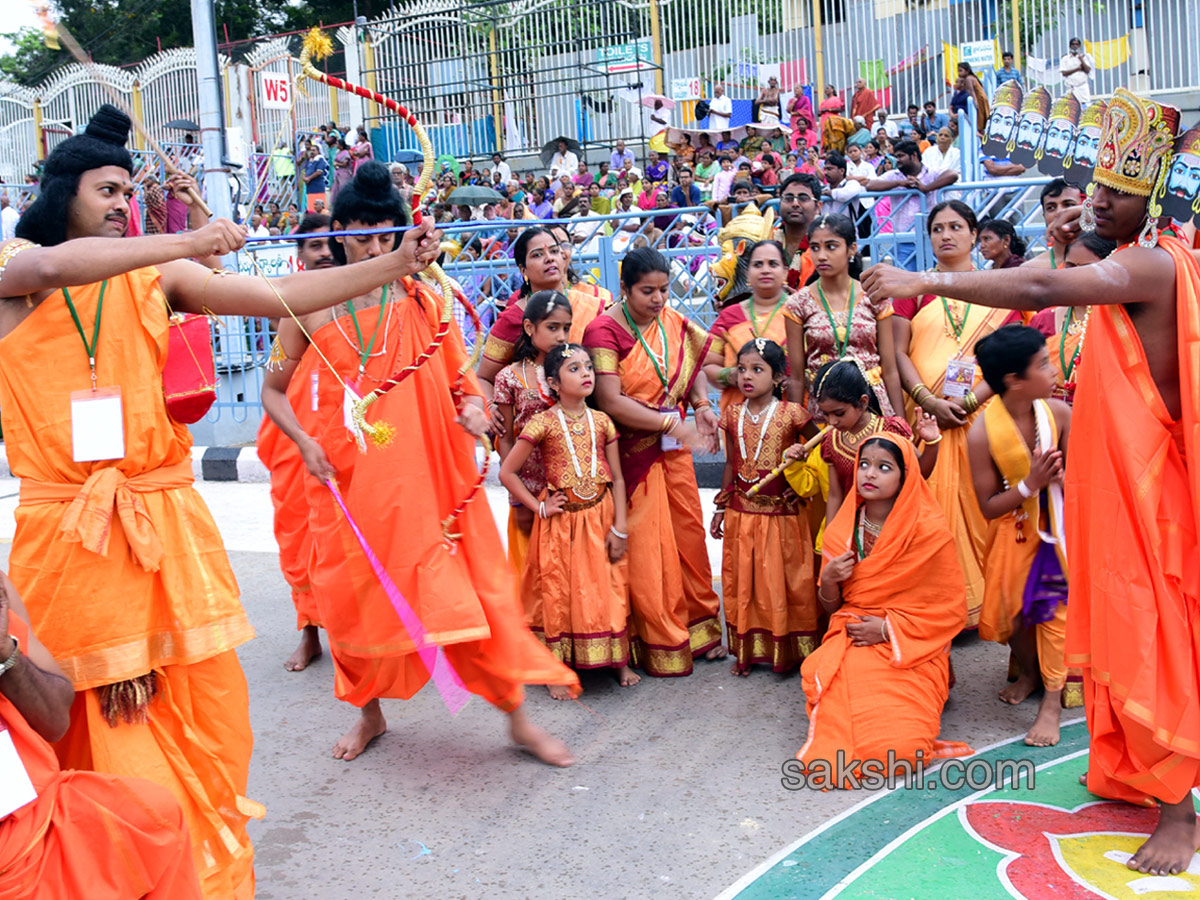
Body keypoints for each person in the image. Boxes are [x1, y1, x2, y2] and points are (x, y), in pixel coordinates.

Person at [0, 105, 442, 898]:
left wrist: (392, 265)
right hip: (66, 536)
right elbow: (53, 273)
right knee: (84, 713)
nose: (117, 202)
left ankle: (195, 872)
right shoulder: (13, 269)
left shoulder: (155, 277)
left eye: (126, 192)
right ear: (60, 192)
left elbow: (275, 295)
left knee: (198, 708)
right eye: (105, 190)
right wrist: (188, 238)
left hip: (165, 526)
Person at [862, 88, 1200, 875]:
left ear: (1150, 200)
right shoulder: (1147, 253)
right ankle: (1138, 770)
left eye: (1116, 194)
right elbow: (1062, 266)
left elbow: (1045, 288)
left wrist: (927, 285)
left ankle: (1179, 815)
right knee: (1133, 628)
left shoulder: (1149, 262)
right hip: (1126, 476)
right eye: (1097, 187)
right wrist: (1077, 229)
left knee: (1152, 634)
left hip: (1150, 488)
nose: (1097, 202)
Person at [261, 161, 579, 766]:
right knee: (351, 599)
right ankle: (370, 715)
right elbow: (274, 392)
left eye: (386, 236)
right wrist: (304, 442)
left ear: (403, 234)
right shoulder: (305, 305)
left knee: (473, 597)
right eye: (360, 236)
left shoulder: (427, 300)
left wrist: (475, 414)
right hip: (349, 484)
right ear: (337, 235)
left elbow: (466, 382)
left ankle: (517, 720)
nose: (375, 248)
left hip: (431, 481)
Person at [0, 573, 205, 898]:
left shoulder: (0, 591)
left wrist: (5, 656)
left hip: (33, 814)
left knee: (154, 818)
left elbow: (55, 722)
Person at [797, 434, 971, 785]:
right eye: (864, 464)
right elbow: (831, 608)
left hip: (911, 643)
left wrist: (887, 630)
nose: (869, 474)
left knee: (902, 749)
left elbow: (949, 610)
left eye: (883, 467)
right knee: (842, 702)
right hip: (855, 633)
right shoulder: (842, 531)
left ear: (905, 476)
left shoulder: (930, 532)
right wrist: (828, 581)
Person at [585, 248, 725, 675]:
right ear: (624, 289)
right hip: (632, 453)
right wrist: (671, 424)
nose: (660, 299)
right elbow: (610, 399)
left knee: (687, 537)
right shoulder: (603, 331)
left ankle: (700, 629)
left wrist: (700, 404)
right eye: (648, 291)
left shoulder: (671, 321)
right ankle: (658, 638)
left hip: (673, 448)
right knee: (648, 549)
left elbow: (693, 361)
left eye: (664, 289)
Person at [887, 200, 1019, 627]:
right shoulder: (914, 288)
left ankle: (986, 603)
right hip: (927, 419)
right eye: (937, 228)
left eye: (955, 227)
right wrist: (927, 400)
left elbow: (1008, 360)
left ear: (972, 234)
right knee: (933, 515)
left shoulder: (998, 288)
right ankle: (941, 605)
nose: (946, 235)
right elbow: (898, 353)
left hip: (981, 418)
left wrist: (967, 401)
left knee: (983, 509)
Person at [500, 342, 637, 695]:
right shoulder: (542, 423)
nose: (586, 374)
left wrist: (620, 527)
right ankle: (555, 670)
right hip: (562, 523)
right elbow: (508, 473)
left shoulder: (603, 421)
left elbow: (618, 478)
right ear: (554, 385)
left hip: (601, 516)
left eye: (588, 367)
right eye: (573, 369)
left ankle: (618, 661)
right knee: (559, 592)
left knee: (610, 586)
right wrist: (539, 507)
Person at [968, 326, 1075, 747]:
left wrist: (1065, 481)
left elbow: (1088, 478)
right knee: (1010, 617)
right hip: (1011, 534)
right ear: (1014, 379)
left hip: (1058, 534)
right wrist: (1030, 484)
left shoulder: (1060, 414)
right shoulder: (981, 433)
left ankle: (1051, 703)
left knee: (1052, 614)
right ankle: (1030, 672)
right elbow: (989, 506)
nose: (1054, 370)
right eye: (1044, 364)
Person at [711, 339, 818, 675]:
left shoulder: (794, 413)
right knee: (746, 584)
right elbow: (730, 464)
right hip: (742, 514)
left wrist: (801, 486)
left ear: (777, 379)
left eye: (757, 369)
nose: (747, 376)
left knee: (783, 583)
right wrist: (720, 506)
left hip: (782, 517)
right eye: (742, 369)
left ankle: (786, 652)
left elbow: (818, 448)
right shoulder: (730, 414)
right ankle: (748, 652)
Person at [258, 215, 334, 673]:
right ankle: (309, 631)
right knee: (299, 534)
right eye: (314, 247)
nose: (325, 252)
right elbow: (275, 380)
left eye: (332, 243)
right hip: (296, 434)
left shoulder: (362, 295)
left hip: (352, 427)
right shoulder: (290, 301)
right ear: (300, 256)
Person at [477, 227, 606, 420]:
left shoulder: (593, 306)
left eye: (554, 251)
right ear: (523, 270)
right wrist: (490, 407)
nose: (549, 258)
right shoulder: (514, 318)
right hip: (533, 430)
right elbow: (483, 378)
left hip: (591, 421)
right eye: (538, 255)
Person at [784, 214, 904, 416]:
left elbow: (890, 370)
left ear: (852, 249)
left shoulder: (874, 297)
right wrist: (796, 431)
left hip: (872, 407)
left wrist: (901, 423)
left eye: (831, 247)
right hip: (825, 412)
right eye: (815, 247)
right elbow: (796, 378)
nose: (821, 256)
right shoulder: (798, 303)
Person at [493, 291, 571, 579]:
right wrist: (518, 498)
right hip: (529, 486)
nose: (561, 336)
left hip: (568, 483)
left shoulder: (573, 369)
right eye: (553, 328)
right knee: (532, 567)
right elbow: (507, 439)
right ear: (529, 328)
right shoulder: (509, 377)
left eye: (566, 328)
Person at [813, 360, 939, 524]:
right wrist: (831, 543)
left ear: (863, 402)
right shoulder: (831, 442)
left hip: (897, 524)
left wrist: (932, 443)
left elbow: (920, 472)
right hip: (853, 529)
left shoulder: (891, 429)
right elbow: (835, 496)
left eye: (839, 413)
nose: (832, 422)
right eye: (825, 414)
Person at [705, 240, 793, 412]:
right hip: (738, 417)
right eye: (758, 264)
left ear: (785, 272)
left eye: (773, 264)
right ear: (747, 273)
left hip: (790, 414)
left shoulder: (799, 312)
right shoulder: (729, 316)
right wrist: (733, 376)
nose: (765, 270)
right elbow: (707, 366)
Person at [1028, 232, 1117, 403]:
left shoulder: (1120, 320)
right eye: (1070, 267)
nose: (1075, 276)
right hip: (1051, 418)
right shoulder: (1043, 320)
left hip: (1102, 414)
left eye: (1086, 268)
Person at [866, 140, 959, 271]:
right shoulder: (894, 175)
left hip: (931, 237)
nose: (897, 160)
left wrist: (926, 188)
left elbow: (952, 175)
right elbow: (870, 186)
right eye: (896, 156)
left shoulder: (931, 172)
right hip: (903, 239)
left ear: (914, 156)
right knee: (906, 282)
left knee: (937, 279)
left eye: (900, 156)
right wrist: (901, 183)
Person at [775, 173, 823, 289]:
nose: (795, 204)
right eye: (789, 198)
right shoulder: (766, 238)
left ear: (818, 207)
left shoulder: (828, 246)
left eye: (803, 198)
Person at [822, 152, 865, 221]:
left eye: (830, 169)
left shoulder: (852, 184)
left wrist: (828, 193)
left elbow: (844, 195)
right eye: (825, 169)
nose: (826, 173)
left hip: (847, 230)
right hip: (826, 230)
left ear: (842, 171)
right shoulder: (825, 189)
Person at [955, 62, 991, 136]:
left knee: (979, 123)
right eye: (958, 71)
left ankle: (982, 137)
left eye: (961, 71)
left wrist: (975, 102)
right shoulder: (970, 77)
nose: (959, 73)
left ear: (967, 71)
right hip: (981, 99)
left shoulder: (968, 78)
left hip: (979, 99)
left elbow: (971, 91)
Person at [1060, 37, 1094, 105]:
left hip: (1082, 87)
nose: (1075, 46)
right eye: (1073, 44)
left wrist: (1081, 59)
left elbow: (1087, 70)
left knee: (1085, 107)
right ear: (1070, 46)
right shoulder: (1065, 58)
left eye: (1076, 44)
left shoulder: (1084, 57)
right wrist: (1078, 69)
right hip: (1071, 88)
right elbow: (1064, 73)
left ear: (1079, 46)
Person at [301, 142, 329, 212]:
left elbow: (319, 172)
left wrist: (308, 178)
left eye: (314, 150)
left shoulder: (320, 159)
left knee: (319, 206)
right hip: (310, 187)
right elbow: (305, 171)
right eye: (311, 150)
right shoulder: (310, 160)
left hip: (317, 186)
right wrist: (304, 178)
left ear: (318, 151)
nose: (312, 152)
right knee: (311, 206)